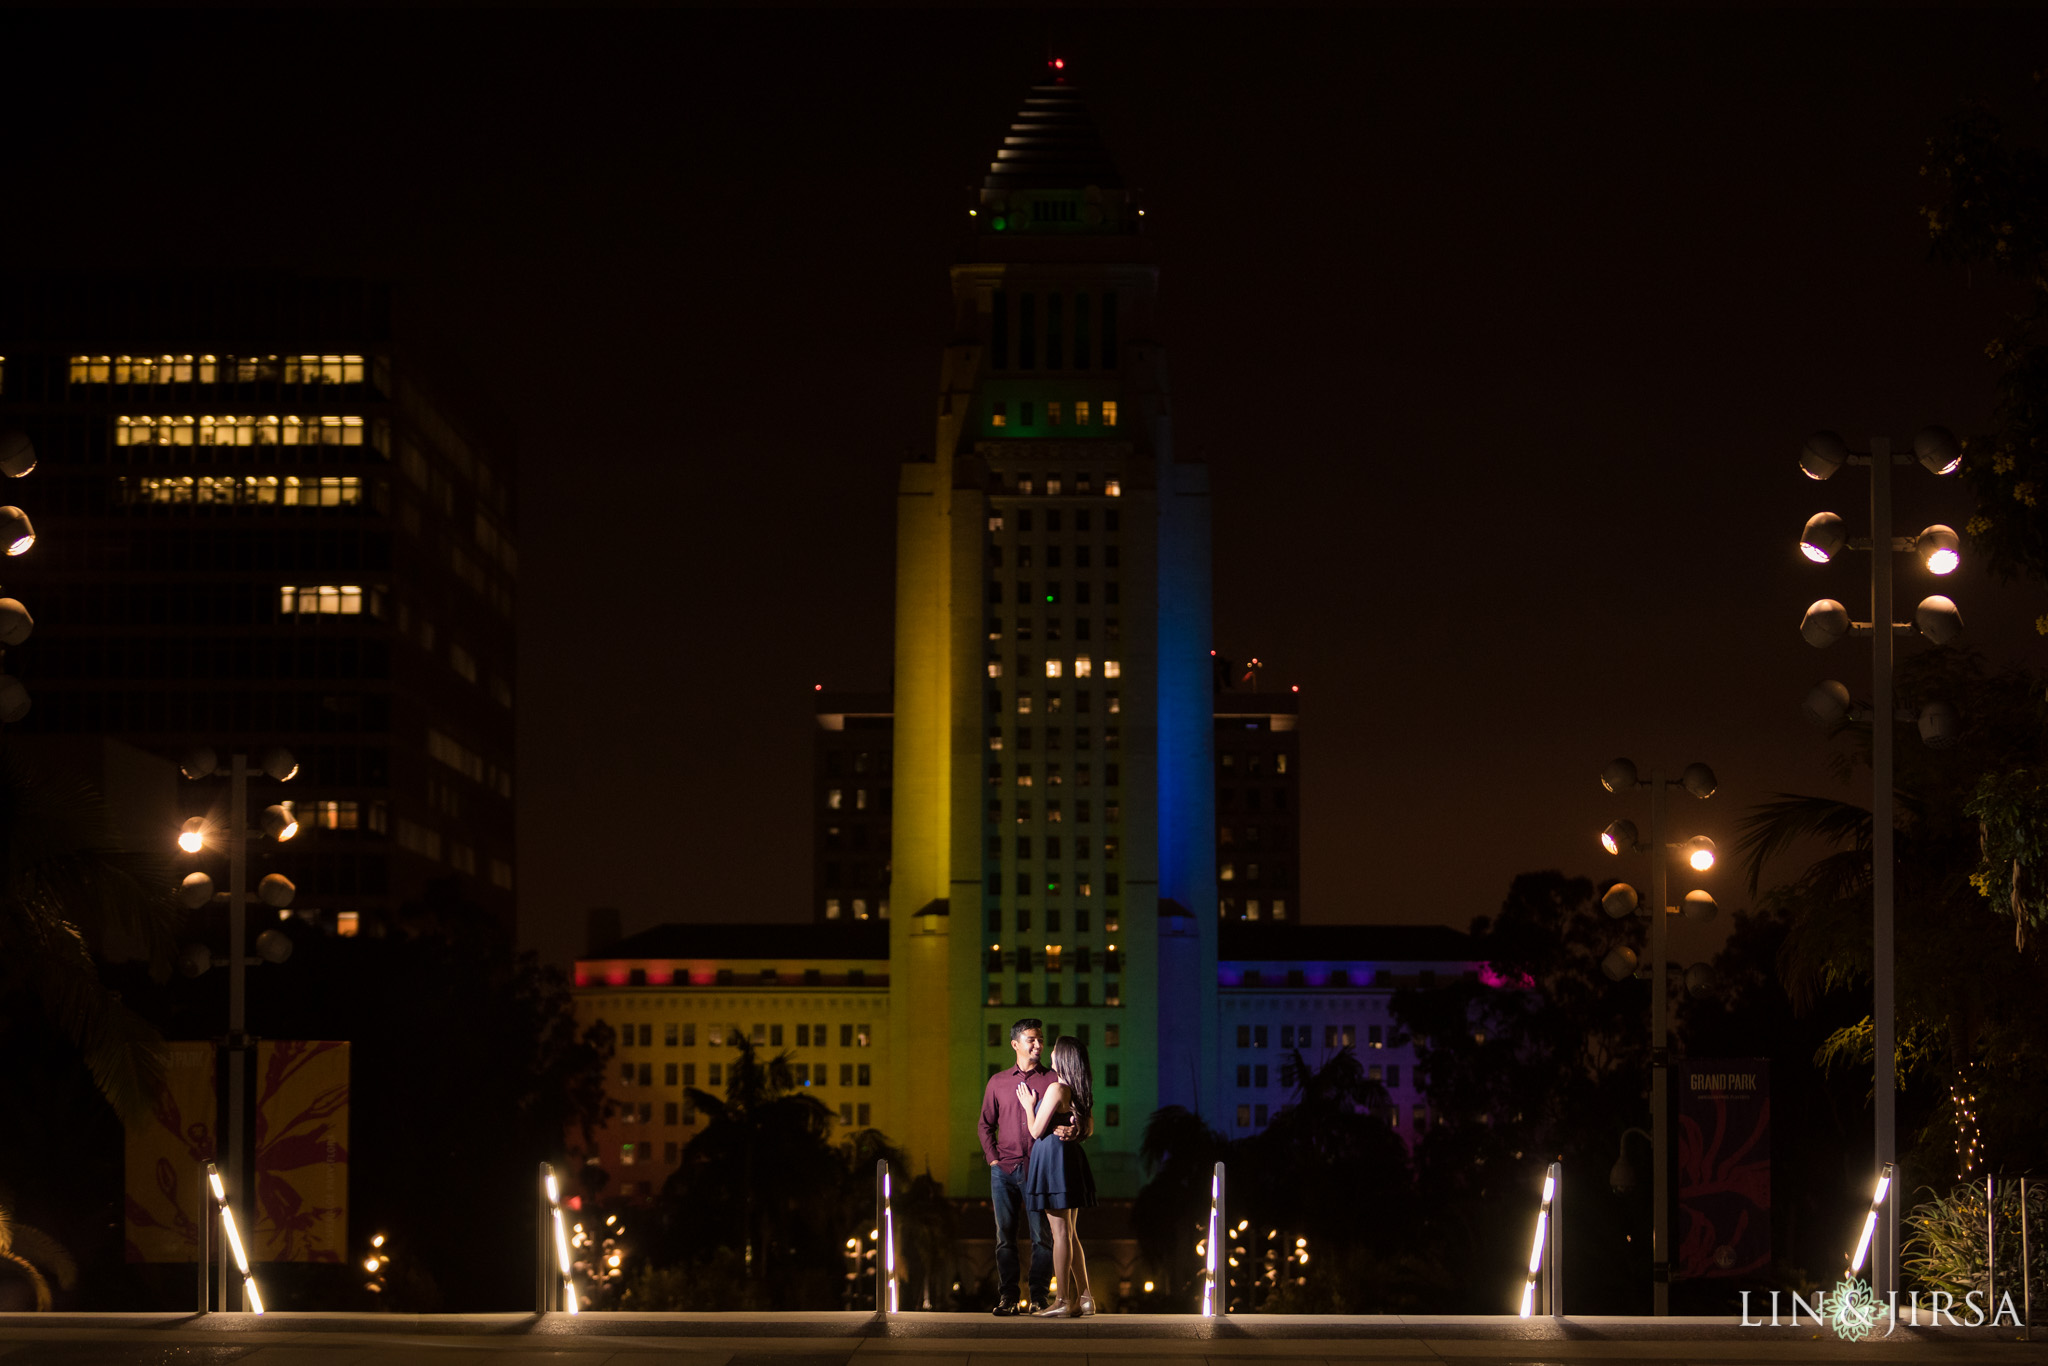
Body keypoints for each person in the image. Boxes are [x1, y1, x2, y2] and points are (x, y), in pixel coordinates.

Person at [978, 1018, 1055, 1315]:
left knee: (1042, 1238)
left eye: (1040, 1039)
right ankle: (1008, 1298)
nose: (1038, 1045)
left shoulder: (1051, 1080)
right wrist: (992, 1158)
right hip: (1004, 1171)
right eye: (1031, 1040)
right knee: (1004, 1238)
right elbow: (985, 1124)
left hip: (1039, 1170)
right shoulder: (998, 1082)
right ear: (1015, 1044)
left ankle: (1038, 1297)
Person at [1018, 1035, 1097, 1317]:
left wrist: (1029, 1106)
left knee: (1060, 1233)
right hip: (1068, 1161)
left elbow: (1036, 1131)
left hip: (1053, 1162)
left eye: (1054, 1049)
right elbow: (1087, 1128)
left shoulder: (1056, 1088)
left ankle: (1062, 1300)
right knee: (1070, 1233)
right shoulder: (1080, 1091)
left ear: (1062, 1056)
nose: (1049, 1052)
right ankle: (1085, 1297)